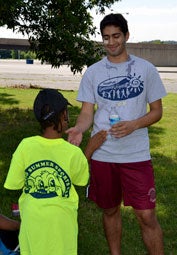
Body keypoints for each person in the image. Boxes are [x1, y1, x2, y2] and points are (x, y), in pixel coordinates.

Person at [66, 13, 167, 255]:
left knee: (146, 215)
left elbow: (157, 112)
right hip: (103, 155)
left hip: (136, 155)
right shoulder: (93, 72)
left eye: (116, 36)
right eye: (106, 38)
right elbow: (87, 113)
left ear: (126, 36)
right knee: (110, 210)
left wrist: (134, 124)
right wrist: (80, 129)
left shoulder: (145, 70)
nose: (111, 42)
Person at [3, 88, 106, 255]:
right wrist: (90, 148)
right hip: (61, 224)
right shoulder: (71, 152)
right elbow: (81, 178)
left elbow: (14, 183)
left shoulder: (25, 145)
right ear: (64, 115)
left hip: (32, 222)